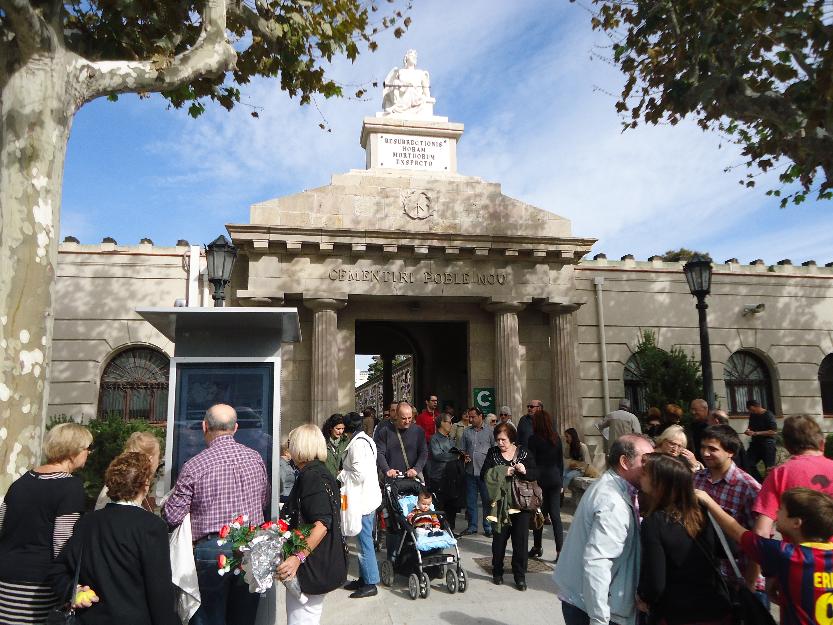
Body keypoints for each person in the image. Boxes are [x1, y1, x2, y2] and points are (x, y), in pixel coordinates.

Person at [162, 403, 268, 625]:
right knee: (245, 617)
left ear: (204, 426)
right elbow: (263, 500)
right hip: (252, 546)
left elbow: (172, 516)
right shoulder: (256, 459)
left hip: (212, 549)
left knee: (209, 618)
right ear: (236, 428)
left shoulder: (195, 466)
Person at [51, 452, 178, 625]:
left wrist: (74, 591)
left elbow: (59, 569)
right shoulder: (151, 527)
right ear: (145, 484)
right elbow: (159, 591)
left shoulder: (88, 522)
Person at [553, 434, 655, 625]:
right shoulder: (612, 501)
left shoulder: (618, 489)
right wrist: (599, 619)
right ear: (625, 462)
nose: (652, 466)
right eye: (645, 460)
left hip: (587, 601)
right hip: (596, 608)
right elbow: (597, 564)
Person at [697, 487, 833, 625]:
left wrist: (708, 501)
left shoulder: (786, 555)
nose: (776, 512)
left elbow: (736, 532)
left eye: (781, 510)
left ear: (796, 523)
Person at [0, 423, 91, 625]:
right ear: (72, 451)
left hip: (5, 576)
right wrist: (70, 584)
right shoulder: (70, 487)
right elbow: (63, 541)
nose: (88, 453)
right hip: (39, 583)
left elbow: (2, 524)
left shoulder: (21, 482)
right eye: (86, 448)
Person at [637, 453, 732, 625]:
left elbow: (656, 583)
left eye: (645, 473)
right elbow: (729, 550)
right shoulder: (702, 511)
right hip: (716, 608)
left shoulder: (655, 523)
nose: (640, 475)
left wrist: (644, 597)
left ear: (660, 483)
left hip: (679, 613)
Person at [276, 424, 347, 625]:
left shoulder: (312, 476)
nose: (290, 447)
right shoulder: (319, 472)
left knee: (302, 619)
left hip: (312, 566)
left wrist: (297, 558)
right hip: (318, 564)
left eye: (292, 443)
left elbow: (322, 524)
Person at [692, 425, 765, 604]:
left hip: (742, 583)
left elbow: (760, 542)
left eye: (713, 449)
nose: (705, 453)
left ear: (730, 452)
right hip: (710, 580)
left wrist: (749, 584)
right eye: (703, 447)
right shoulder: (696, 480)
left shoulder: (748, 488)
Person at [753, 415, 833, 539]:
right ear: (822, 443)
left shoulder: (780, 474)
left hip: (799, 555)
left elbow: (761, 531)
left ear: (787, 447)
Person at [480, 422, 539, 591]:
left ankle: (519, 577)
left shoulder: (524, 453)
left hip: (521, 505)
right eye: (497, 439)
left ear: (511, 439)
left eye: (503, 440)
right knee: (499, 541)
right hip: (500, 505)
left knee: (520, 543)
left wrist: (524, 470)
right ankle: (497, 572)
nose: (500, 443)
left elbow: (536, 473)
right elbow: (484, 474)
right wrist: (502, 471)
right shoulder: (493, 453)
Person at [339, 412, 382, 599]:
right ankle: (365, 578)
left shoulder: (357, 445)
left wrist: (341, 474)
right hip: (367, 497)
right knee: (362, 540)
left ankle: (371, 582)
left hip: (362, 500)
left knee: (364, 542)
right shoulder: (366, 440)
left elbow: (358, 475)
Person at [528, 410, 564, 561]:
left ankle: (537, 546)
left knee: (539, 514)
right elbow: (560, 462)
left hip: (541, 479)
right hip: (555, 478)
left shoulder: (533, 439)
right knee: (555, 516)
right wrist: (561, 481)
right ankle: (560, 551)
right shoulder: (556, 438)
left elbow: (532, 461)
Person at [94, 430, 161, 511]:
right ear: (151, 459)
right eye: (158, 456)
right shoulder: (130, 486)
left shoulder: (116, 481)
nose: (159, 461)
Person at [460, 407, 495, 536]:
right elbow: (462, 449)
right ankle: (472, 526)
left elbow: (494, 449)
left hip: (485, 472)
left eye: (473, 417)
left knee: (487, 501)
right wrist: (464, 455)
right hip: (470, 471)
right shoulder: (466, 432)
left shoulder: (490, 431)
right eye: (469, 417)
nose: (470, 419)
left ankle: (488, 527)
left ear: (480, 416)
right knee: (470, 500)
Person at [428, 412, 464, 530]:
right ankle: (441, 529)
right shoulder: (434, 439)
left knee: (452, 505)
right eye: (449, 422)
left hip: (452, 477)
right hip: (439, 477)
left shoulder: (450, 439)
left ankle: (451, 529)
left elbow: (454, 453)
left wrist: (461, 456)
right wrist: (455, 457)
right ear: (441, 423)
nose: (451, 424)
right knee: (440, 505)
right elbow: (437, 455)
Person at [374, 400, 427, 479]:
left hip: (413, 475)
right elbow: (379, 452)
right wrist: (387, 470)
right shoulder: (385, 431)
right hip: (392, 477)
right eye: (403, 418)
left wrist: (416, 469)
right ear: (397, 416)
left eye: (409, 418)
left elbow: (423, 452)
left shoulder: (418, 431)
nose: (407, 421)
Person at [381, 49, 434, 117]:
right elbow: (393, 85)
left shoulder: (420, 73)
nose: (414, 57)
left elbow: (426, 90)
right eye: (412, 56)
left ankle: (396, 108)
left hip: (416, 98)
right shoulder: (401, 72)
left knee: (410, 89)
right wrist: (401, 84)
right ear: (406, 58)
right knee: (396, 82)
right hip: (402, 97)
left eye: (415, 57)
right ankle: (395, 105)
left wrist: (428, 99)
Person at [744, 399, 778, 482]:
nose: (752, 412)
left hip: (767, 444)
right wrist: (748, 430)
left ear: (757, 406)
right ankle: (759, 483)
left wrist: (756, 433)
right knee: (747, 463)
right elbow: (750, 427)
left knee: (769, 468)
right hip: (755, 444)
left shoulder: (768, 415)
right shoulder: (753, 415)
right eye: (750, 411)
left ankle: (770, 485)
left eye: (752, 410)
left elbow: (773, 431)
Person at [322, 413, 348, 477]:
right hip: (327, 480)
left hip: (341, 481)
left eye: (342, 429)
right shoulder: (322, 442)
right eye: (338, 429)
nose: (341, 432)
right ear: (331, 428)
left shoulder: (345, 442)